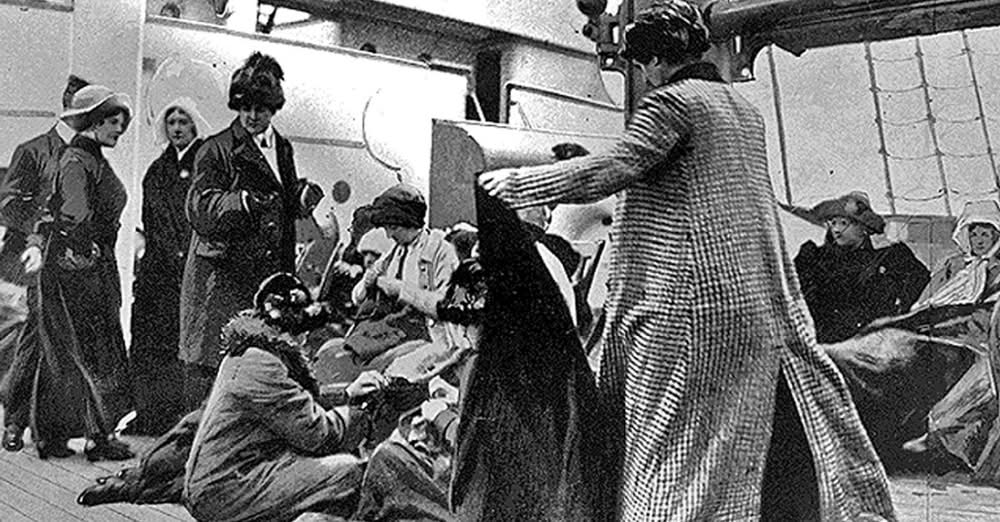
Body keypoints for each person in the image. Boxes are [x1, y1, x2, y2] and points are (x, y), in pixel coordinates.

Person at [479, 1, 894, 519]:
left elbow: (617, 166)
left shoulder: (672, 104)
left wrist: (518, 185)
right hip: (753, 309)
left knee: (670, 449)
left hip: (691, 317)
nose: (644, 75)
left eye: (642, 64)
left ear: (655, 61)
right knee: (730, 445)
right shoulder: (743, 110)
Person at [180, 51, 323, 411]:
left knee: (260, 368)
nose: (251, 116)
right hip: (225, 279)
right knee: (217, 371)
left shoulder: (283, 148)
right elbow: (199, 208)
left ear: (273, 109)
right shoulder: (215, 149)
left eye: (260, 109)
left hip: (268, 277)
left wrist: (299, 195)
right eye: (244, 108)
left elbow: (279, 196)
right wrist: (241, 201)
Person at [184, 272, 385, 522]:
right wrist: (359, 415)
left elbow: (293, 400)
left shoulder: (250, 351)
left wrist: (346, 394)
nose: (305, 339)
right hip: (225, 490)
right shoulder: (262, 364)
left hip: (227, 477)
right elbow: (317, 434)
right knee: (347, 470)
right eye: (303, 330)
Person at [17, 84, 136, 461]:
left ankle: (52, 436)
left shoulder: (87, 157)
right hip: (77, 269)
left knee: (64, 351)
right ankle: (97, 438)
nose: (119, 129)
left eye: (121, 122)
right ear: (94, 123)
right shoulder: (78, 160)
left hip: (79, 265)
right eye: (112, 121)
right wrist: (86, 250)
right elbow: (73, 214)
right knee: (89, 351)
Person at [0, 75, 89, 452]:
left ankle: (47, 429)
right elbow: (7, 204)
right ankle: (15, 422)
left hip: (68, 266)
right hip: (26, 262)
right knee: (31, 341)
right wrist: (43, 224)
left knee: (58, 345)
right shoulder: (33, 150)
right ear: (67, 106)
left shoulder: (90, 157)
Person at [128, 98, 210, 435]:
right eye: (172, 122)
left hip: (189, 268)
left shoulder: (205, 164)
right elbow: (151, 220)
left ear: (194, 126)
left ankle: (179, 417)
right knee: (150, 340)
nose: (176, 128)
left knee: (183, 344)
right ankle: (149, 413)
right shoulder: (157, 169)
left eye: (183, 122)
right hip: (158, 270)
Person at [795, 191, 930, 343]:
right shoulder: (814, 258)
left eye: (844, 223)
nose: (836, 229)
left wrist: (899, 308)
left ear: (863, 228)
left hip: (872, 342)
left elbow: (920, 277)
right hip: (821, 342)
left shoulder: (888, 256)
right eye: (833, 222)